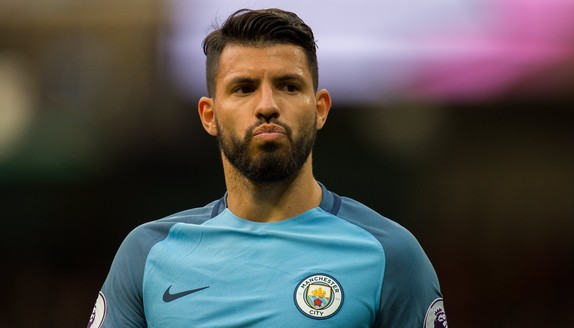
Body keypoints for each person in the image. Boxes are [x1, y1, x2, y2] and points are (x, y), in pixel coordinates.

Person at [88, 8, 447, 328]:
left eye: (288, 86)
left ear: (320, 109)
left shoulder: (392, 256)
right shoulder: (147, 255)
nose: (267, 106)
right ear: (209, 115)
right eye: (243, 88)